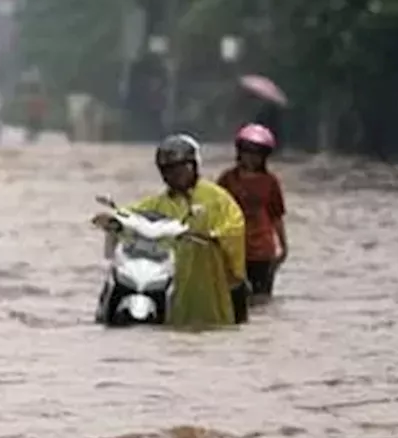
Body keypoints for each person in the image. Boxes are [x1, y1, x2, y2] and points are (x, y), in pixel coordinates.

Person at [95, 134, 246, 328]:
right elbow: (136, 214)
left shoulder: (216, 198)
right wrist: (115, 220)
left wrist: (214, 236)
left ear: (193, 166)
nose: (175, 174)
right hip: (174, 277)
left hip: (208, 276)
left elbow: (234, 225)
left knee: (212, 325)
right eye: (168, 170)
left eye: (181, 167)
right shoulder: (160, 203)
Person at [217, 123, 288, 301]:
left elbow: (276, 215)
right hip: (233, 248)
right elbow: (216, 211)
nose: (251, 158)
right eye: (247, 151)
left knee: (261, 299)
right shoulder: (227, 179)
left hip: (262, 250)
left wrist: (284, 247)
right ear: (239, 152)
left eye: (257, 153)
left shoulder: (270, 182)